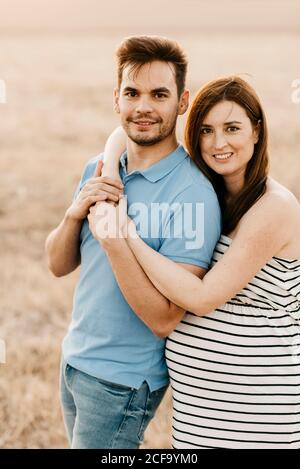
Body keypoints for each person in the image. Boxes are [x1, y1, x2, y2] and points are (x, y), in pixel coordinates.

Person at [96, 76, 300, 449]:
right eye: (206, 130)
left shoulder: (275, 207)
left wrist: (126, 236)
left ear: (256, 131)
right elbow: (119, 134)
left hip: (258, 412)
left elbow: (202, 297)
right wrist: (111, 170)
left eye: (232, 128)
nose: (218, 143)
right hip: (199, 415)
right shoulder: (205, 192)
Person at [45, 35, 221, 449]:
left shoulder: (193, 194)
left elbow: (164, 318)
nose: (143, 106)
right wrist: (76, 214)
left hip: (122, 382)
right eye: (132, 93)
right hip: (73, 360)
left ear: (182, 102)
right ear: (116, 99)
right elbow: (57, 265)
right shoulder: (100, 167)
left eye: (159, 94)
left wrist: (115, 239)